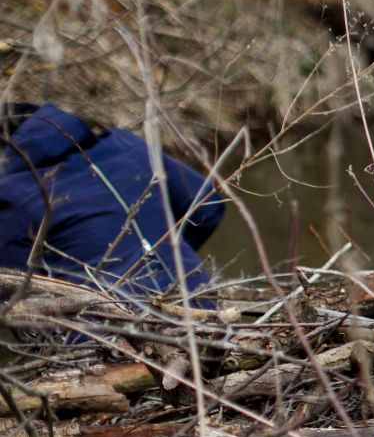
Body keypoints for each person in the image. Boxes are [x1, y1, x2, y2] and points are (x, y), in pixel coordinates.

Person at [0, 102, 226, 303]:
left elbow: (12, 284)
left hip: (105, 327)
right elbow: (207, 206)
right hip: (199, 301)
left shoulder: (14, 193)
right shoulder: (126, 145)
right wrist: (164, 250)